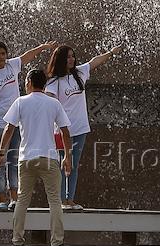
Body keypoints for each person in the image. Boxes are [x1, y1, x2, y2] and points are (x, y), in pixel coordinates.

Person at [0, 68, 73, 246]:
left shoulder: (20, 102)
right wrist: (67, 156)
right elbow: (65, 132)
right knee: (54, 201)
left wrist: (1, 153)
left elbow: (9, 128)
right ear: (44, 84)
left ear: (29, 82)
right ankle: (57, 242)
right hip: (49, 158)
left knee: (22, 200)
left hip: (26, 158)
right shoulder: (53, 103)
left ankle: (17, 240)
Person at [0, 39, 57, 210]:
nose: (1, 57)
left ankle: (14, 197)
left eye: (3, 53)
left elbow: (28, 56)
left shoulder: (11, 65)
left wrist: (42, 47)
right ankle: (1, 198)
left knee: (14, 158)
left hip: (15, 121)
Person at [46, 44, 121, 210]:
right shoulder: (53, 82)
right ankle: (61, 201)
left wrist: (110, 53)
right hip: (62, 130)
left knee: (73, 164)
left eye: (73, 56)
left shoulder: (79, 73)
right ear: (60, 60)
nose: (71, 59)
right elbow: (48, 103)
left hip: (80, 127)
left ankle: (70, 199)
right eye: (68, 57)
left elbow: (94, 62)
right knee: (63, 163)